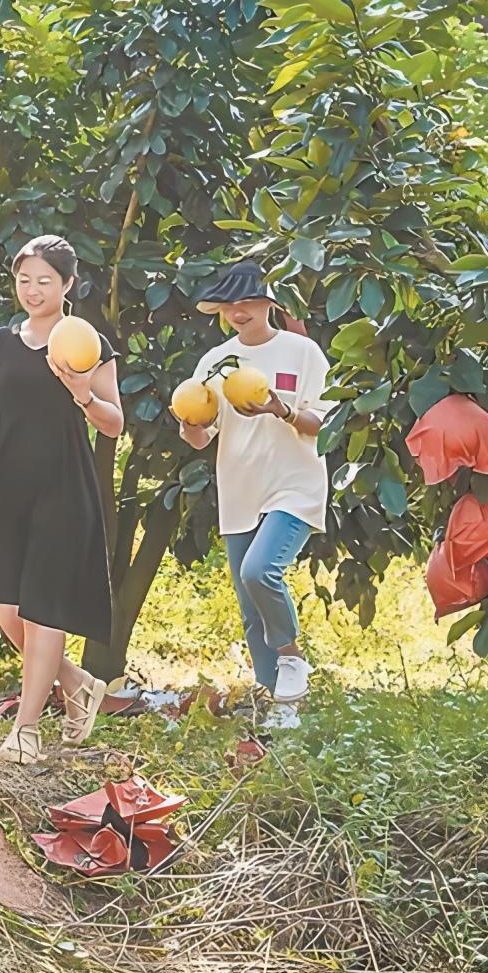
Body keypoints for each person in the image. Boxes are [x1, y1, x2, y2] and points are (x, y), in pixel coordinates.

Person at [0, 234, 123, 765]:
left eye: (44, 280)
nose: (33, 289)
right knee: (5, 605)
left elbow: (114, 424)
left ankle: (26, 729)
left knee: (44, 610)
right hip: (6, 486)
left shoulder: (87, 344)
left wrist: (83, 392)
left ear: (68, 284)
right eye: (24, 280)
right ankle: (78, 683)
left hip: (63, 488)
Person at [181, 261, 328, 712]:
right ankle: (279, 706)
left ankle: (291, 656)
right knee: (251, 610)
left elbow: (322, 423)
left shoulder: (302, 353)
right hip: (240, 490)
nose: (238, 312)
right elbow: (201, 437)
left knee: (259, 571)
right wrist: (189, 424)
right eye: (230, 305)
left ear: (270, 303)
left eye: (248, 302)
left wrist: (280, 410)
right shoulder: (215, 363)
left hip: (294, 486)